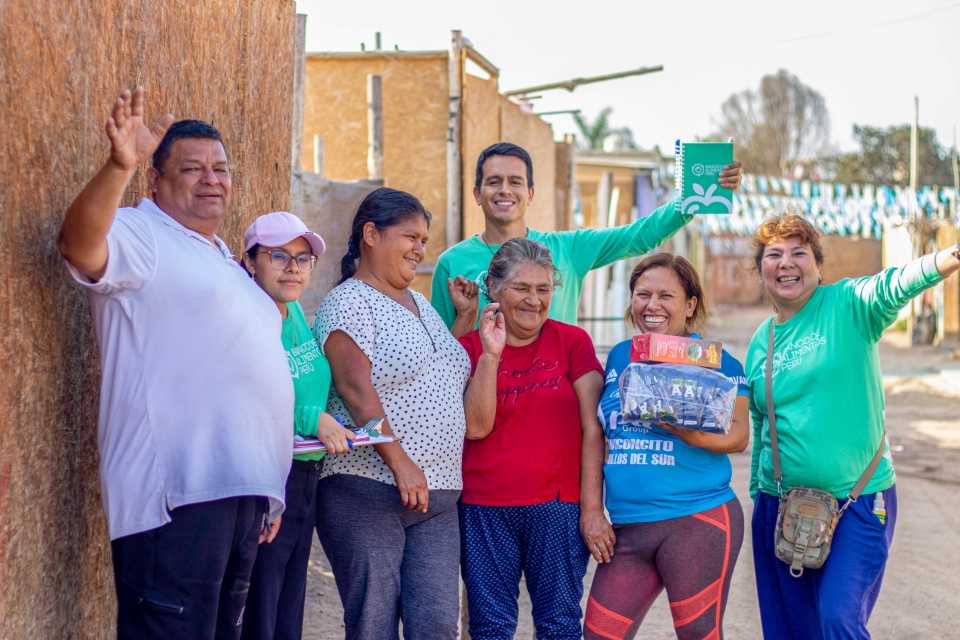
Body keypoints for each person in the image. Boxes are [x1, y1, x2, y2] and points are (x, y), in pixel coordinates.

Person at [57, 87, 292, 639]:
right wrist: (118, 166)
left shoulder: (222, 259)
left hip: (238, 498)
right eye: (192, 169)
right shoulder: (142, 234)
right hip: (176, 499)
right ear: (155, 181)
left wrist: (269, 487)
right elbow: (79, 246)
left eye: (221, 169)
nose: (212, 179)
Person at [745, 214, 960, 639]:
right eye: (774, 254)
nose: (785, 263)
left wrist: (950, 257)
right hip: (780, 506)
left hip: (858, 500)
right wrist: (758, 496)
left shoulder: (850, 305)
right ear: (761, 269)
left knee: (838, 618)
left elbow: (896, 283)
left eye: (798, 252)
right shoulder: (760, 341)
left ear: (817, 265)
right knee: (791, 631)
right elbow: (760, 424)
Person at [312, 187, 478, 640]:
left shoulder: (420, 304)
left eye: (424, 239)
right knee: (374, 625)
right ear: (371, 234)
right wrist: (400, 461)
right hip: (368, 490)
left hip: (437, 497)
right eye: (410, 236)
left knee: (437, 625)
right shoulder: (349, 302)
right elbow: (354, 388)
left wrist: (463, 320)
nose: (420, 249)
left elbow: (437, 370)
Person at [582, 253, 749, 640]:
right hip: (628, 528)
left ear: (690, 305)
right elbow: (599, 434)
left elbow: (739, 437)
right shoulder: (620, 355)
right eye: (642, 295)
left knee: (698, 635)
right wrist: (592, 511)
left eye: (665, 296)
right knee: (599, 635)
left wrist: (688, 433)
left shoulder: (719, 363)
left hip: (697, 521)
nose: (651, 305)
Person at [458, 238, 610, 640]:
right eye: (521, 288)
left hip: (557, 507)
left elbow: (593, 429)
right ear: (494, 287)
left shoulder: (573, 342)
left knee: (559, 623)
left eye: (543, 289)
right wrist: (491, 354)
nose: (534, 300)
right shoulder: (468, 349)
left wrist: (592, 509)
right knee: (490, 628)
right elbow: (476, 427)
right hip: (484, 506)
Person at [430, 141, 743, 332]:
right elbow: (441, 345)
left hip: (553, 407)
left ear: (531, 193)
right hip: (479, 406)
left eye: (515, 182)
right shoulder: (452, 263)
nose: (504, 190)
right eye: (493, 182)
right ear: (477, 193)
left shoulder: (567, 249)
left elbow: (639, 236)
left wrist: (695, 197)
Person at [239, 212, 357, 640]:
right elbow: (245, 393)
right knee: (261, 607)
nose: (293, 268)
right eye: (279, 256)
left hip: (304, 472)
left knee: (287, 606)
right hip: (267, 476)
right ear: (250, 261)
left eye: (303, 258)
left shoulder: (291, 311)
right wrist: (312, 419)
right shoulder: (248, 316)